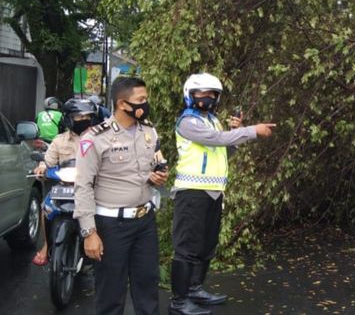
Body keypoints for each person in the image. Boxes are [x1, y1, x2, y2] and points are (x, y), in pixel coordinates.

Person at [169, 73, 275, 315]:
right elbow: (216, 140)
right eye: (202, 94)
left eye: (212, 95)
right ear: (190, 95)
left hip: (214, 193)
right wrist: (251, 131)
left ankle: (195, 289)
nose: (207, 98)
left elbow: (224, 153)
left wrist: (235, 135)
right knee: (187, 248)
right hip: (191, 193)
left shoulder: (214, 121)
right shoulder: (187, 122)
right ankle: (178, 302)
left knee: (207, 245)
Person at [74, 77, 169, 315]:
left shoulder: (148, 131)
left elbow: (157, 164)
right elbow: (83, 186)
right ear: (122, 104)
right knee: (111, 293)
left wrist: (156, 176)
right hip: (111, 225)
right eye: (141, 100)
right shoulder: (95, 138)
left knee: (147, 286)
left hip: (145, 220)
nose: (146, 104)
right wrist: (89, 232)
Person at [31, 98, 100, 266]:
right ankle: (46, 245)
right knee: (46, 207)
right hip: (64, 187)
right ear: (68, 118)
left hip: (92, 188)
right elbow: (47, 162)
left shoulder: (99, 139)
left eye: (87, 117)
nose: (84, 120)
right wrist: (41, 168)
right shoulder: (59, 140)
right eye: (79, 117)